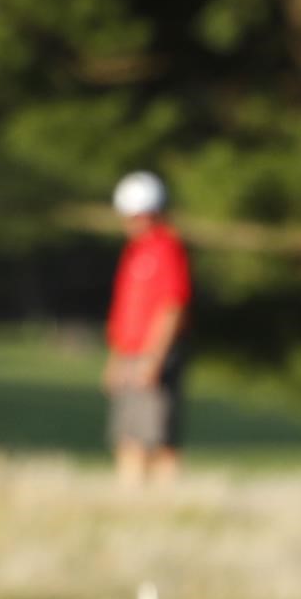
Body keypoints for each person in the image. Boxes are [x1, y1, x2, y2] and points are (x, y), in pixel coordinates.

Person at [102, 170, 191, 488]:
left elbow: (171, 308)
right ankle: (129, 499)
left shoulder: (167, 248)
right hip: (129, 353)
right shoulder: (134, 251)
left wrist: (154, 359)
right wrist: (115, 358)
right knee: (128, 436)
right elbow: (125, 312)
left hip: (152, 356)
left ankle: (169, 502)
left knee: (158, 439)